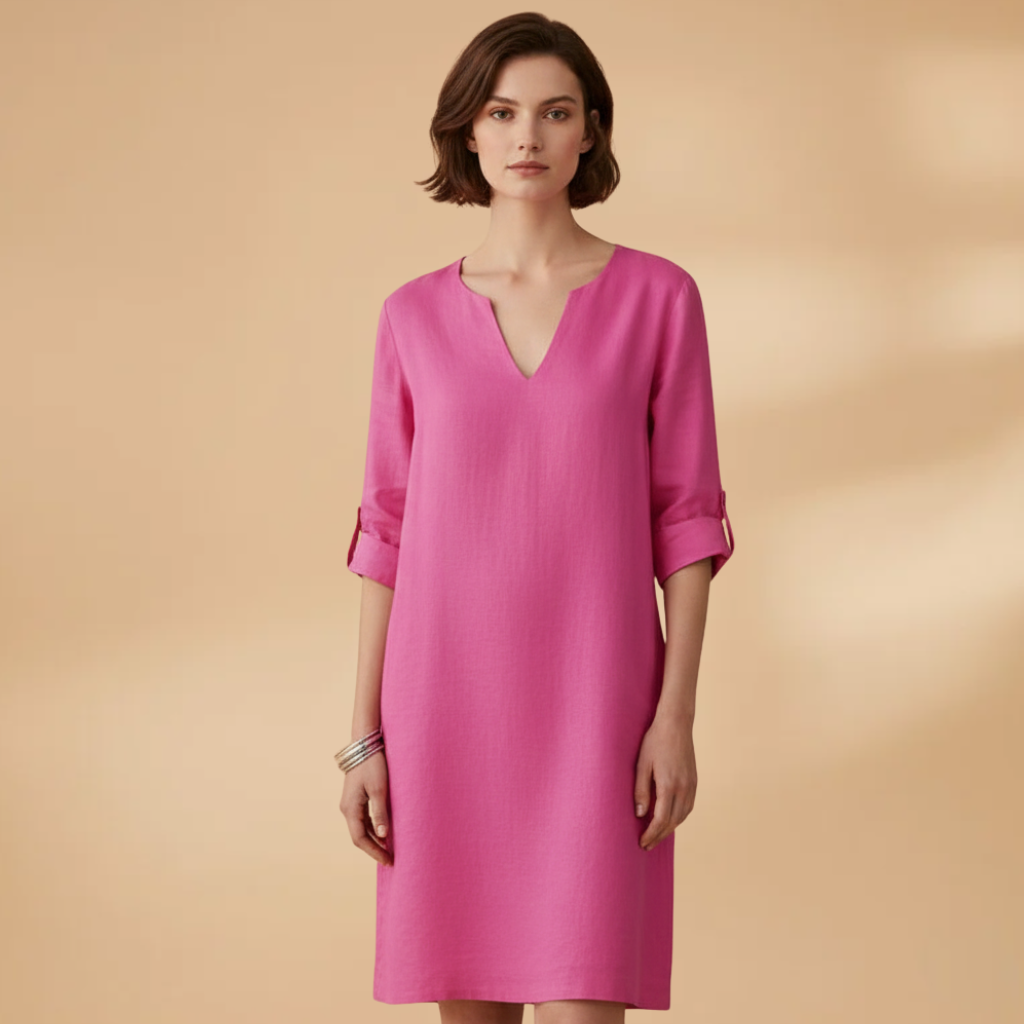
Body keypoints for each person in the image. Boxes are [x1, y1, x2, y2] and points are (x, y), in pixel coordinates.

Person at [337, 12, 735, 1024]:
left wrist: (675, 718)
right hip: (444, 712)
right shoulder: (411, 316)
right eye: (502, 112)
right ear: (467, 132)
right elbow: (385, 534)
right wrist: (363, 739)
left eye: (556, 113)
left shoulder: (659, 299)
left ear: (590, 131)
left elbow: (688, 522)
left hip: (599, 709)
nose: (527, 136)